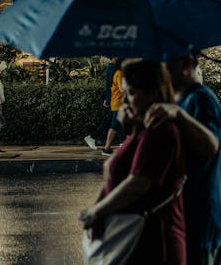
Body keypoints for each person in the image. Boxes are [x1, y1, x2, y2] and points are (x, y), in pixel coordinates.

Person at [79, 60, 186, 264]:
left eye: (132, 94)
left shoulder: (160, 132)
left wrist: (97, 211)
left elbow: (138, 183)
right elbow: (115, 177)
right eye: (125, 93)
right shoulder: (140, 130)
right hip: (130, 238)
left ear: (153, 93)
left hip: (152, 240)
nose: (125, 100)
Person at [144, 53, 221, 265]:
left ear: (188, 62)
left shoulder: (201, 99)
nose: (164, 70)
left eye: (169, 64)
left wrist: (179, 115)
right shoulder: (176, 99)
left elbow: (211, 145)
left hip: (200, 222)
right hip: (179, 220)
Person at [102, 58, 124, 155]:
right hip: (119, 103)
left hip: (117, 103)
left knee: (120, 125)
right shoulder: (119, 73)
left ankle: (123, 144)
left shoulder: (116, 73)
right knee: (115, 126)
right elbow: (122, 89)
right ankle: (106, 149)